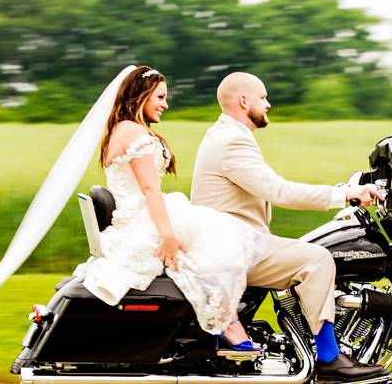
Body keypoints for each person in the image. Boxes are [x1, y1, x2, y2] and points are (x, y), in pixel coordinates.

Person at [190, 71, 389, 384]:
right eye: (263, 97)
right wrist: (344, 195)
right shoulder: (232, 142)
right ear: (244, 100)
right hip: (233, 248)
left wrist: (344, 189)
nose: (268, 104)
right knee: (319, 259)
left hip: (233, 242)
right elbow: (279, 191)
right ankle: (329, 359)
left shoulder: (226, 135)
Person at [76, 66, 269, 349]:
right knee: (221, 243)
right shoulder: (134, 133)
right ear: (141, 96)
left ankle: (221, 321)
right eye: (160, 97)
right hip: (143, 218)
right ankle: (224, 324)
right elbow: (150, 190)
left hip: (141, 212)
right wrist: (167, 236)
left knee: (219, 234)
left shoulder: (121, 129)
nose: (165, 105)